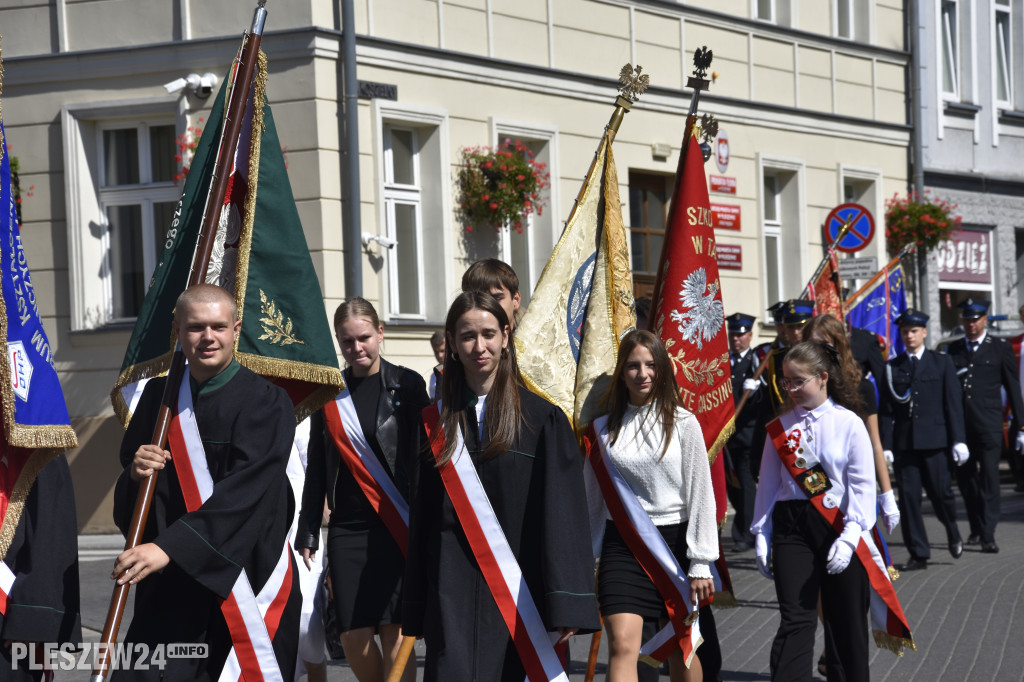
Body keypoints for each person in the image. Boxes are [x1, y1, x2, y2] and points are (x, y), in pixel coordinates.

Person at [403, 291, 600, 680]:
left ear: (506, 337)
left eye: (489, 334)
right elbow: (422, 520)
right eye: (468, 336)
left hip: (519, 592)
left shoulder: (542, 420)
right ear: (453, 346)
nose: (480, 346)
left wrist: (566, 603)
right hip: (450, 590)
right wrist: (417, 604)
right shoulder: (432, 423)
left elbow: (561, 516)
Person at [112, 283, 301, 679]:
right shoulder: (156, 399)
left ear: (236, 328)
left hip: (240, 583)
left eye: (218, 326)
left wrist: (170, 548)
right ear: (177, 330)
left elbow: (247, 495)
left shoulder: (266, 401)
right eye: (196, 327)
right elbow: (135, 499)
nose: (208, 338)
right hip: (167, 587)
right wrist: (135, 472)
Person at [296, 298, 429, 682]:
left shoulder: (406, 385)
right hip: (348, 528)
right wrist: (308, 528)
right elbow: (318, 466)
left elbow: (423, 458)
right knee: (353, 637)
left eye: (364, 338)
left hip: (398, 523)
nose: (357, 348)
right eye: (348, 341)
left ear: (380, 333)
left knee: (395, 635)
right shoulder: (331, 394)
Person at [584, 330, 718, 682]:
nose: (642, 373)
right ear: (621, 373)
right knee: (623, 646)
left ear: (662, 369)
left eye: (650, 365)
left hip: (673, 545)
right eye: (632, 366)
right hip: (622, 545)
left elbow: (701, 493)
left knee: (680, 647)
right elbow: (593, 499)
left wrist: (701, 561)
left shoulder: (685, 423)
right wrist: (586, 554)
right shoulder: (601, 429)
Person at [750, 341, 876, 682]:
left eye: (798, 381)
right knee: (796, 617)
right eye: (786, 381)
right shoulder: (779, 429)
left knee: (845, 619)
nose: (790, 389)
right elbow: (768, 486)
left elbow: (864, 486)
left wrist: (851, 536)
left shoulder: (849, 423)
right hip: (792, 526)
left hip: (838, 524)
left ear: (823, 378)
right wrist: (762, 532)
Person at [879, 308, 965, 571]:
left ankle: (952, 529)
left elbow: (953, 405)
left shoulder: (941, 363)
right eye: (905, 332)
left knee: (941, 494)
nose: (909, 336)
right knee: (909, 499)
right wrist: (887, 445)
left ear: (924, 332)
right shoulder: (893, 367)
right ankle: (918, 553)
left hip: (936, 442)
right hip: (906, 445)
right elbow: (886, 411)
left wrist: (958, 440)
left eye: (914, 331)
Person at [946, 297, 1024, 553]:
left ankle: (988, 534)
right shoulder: (954, 349)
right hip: (962, 427)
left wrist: (1021, 426)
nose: (970, 323)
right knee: (968, 482)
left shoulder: (999, 348)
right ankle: (976, 527)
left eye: (975, 319)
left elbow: (1013, 388)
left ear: (985, 319)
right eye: (967, 319)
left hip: (989, 424)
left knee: (990, 479)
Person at [723, 312, 762, 551]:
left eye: (740, 335)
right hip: (727, 434)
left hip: (747, 434)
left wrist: (756, 390)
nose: (736, 339)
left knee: (746, 484)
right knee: (732, 485)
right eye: (732, 334)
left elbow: (762, 400)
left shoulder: (756, 362)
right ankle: (743, 526)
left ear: (750, 335)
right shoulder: (724, 361)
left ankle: (746, 533)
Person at [461, 258, 521, 328]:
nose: (487, 306)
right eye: (477, 300)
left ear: (516, 300)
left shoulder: (532, 337)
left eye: (496, 299)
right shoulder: (455, 337)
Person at [427, 330, 445, 400]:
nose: (439, 355)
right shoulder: (434, 374)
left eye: (443, 351)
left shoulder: (463, 369)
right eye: (436, 352)